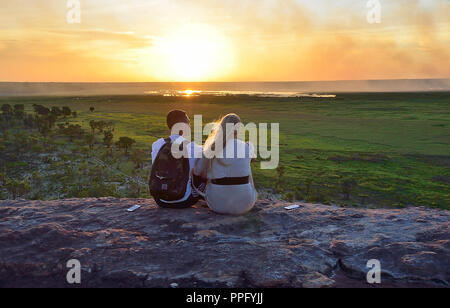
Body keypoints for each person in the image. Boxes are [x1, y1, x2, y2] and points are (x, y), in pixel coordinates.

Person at [193, 113, 257, 215]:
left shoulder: (211, 148)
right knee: (248, 166)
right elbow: (252, 159)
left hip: (216, 204)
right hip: (245, 204)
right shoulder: (248, 147)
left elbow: (197, 171)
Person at [150, 110, 204, 208]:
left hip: (160, 199)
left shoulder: (157, 145)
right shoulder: (194, 148)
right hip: (185, 200)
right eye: (188, 122)